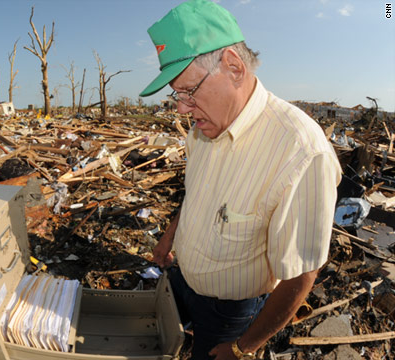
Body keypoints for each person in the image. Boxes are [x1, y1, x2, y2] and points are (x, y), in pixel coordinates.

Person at [139, 1, 342, 359]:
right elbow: (196, 193)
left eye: (188, 92)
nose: (181, 109)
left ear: (234, 67)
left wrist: (243, 347)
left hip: (229, 312)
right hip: (182, 279)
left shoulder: (301, 153)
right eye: (176, 95)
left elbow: (301, 274)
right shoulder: (202, 129)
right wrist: (170, 236)